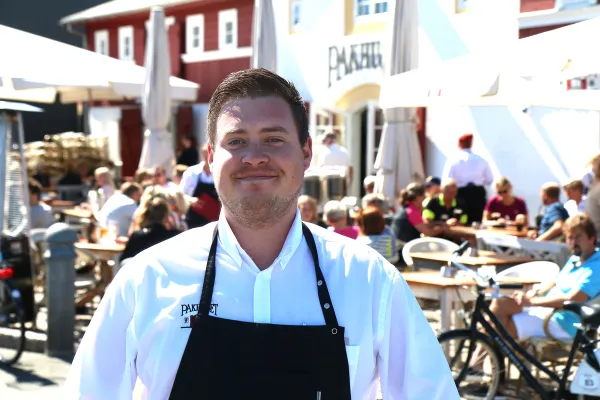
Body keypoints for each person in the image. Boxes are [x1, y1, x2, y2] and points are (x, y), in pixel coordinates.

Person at [64, 68, 457, 399]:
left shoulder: (370, 280)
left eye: (274, 138)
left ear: (306, 153)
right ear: (210, 159)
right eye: (236, 141)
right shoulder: (147, 278)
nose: (254, 156)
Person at [489, 214, 600, 341]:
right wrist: (534, 293)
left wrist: (532, 301)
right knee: (500, 304)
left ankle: (486, 357)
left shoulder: (597, 265)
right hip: (549, 311)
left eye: (578, 237)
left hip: (566, 323)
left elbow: (573, 299)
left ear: (592, 238)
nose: (573, 242)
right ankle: (487, 357)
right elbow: (556, 282)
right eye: (570, 238)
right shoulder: (576, 258)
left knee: (500, 325)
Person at [442, 133, 494, 224]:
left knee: (461, 219)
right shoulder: (481, 159)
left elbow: (447, 180)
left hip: (461, 193)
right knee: (477, 221)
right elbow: (489, 179)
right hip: (478, 193)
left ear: (459, 144)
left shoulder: (453, 160)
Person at [180, 144, 220, 229]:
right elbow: (180, 193)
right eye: (205, 154)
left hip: (214, 217)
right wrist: (191, 200)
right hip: (195, 216)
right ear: (201, 155)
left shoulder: (219, 173)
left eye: (210, 154)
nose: (207, 157)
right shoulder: (192, 172)